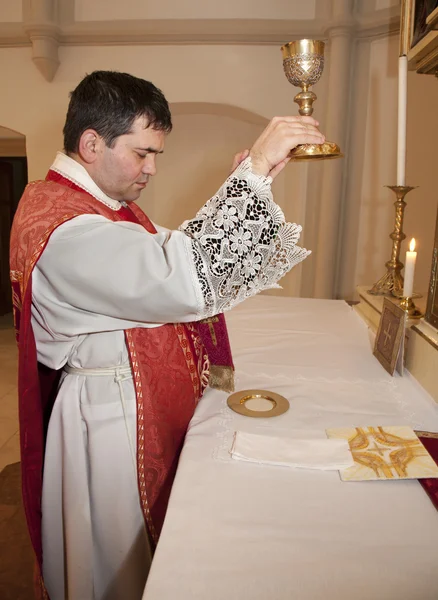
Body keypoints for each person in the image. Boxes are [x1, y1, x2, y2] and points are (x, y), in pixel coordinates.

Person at [9, 70, 325, 600]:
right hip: (108, 425)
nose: (152, 167)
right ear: (91, 144)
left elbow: (168, 251)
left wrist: (248, 189)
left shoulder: (95, 207)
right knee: (115, 565)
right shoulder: (62, 227)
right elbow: (178, 275)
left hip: (124, 403)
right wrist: (254, 171)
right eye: (142, 152)